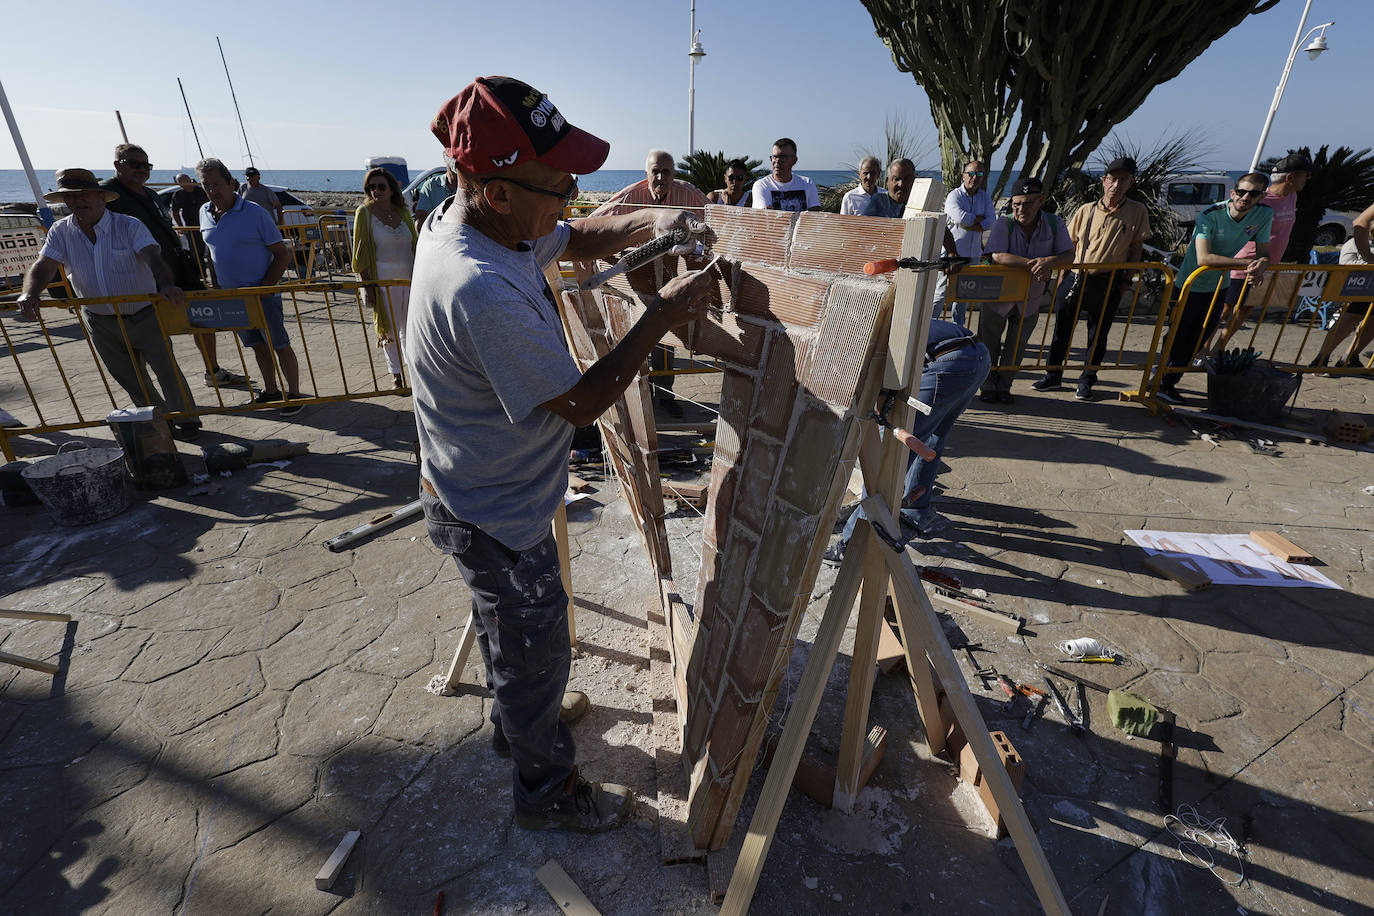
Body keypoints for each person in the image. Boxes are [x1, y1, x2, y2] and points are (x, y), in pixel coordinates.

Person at [409, 76, 714, 833]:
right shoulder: (479, 285)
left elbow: (573, 238)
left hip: (471, 485)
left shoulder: (480, 219)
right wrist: (660, 315)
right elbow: (582, 404)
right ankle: (543, 791)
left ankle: (517, 730)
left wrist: (650, 225)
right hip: (493, 509)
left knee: (504, 632)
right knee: (534, 647)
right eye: (558, 183)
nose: (572, 195)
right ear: (497, 189)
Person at [16, 168, 200, 439]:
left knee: (167, 371)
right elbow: (44, 264)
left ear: (101, 196)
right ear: (64, 202)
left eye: (84, 194)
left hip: (144, 314)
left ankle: (187, 418)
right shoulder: (60, 230)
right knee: (130, 379)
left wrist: (167, 284)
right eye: (71, 197)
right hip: (99, 320)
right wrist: (29, 293)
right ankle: (159, 421)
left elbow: (153, 257)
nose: (78, 201)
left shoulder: (129, 225)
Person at [825, 319, 991, 562]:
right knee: (932, 438)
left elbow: (876, 392)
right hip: (976, 356)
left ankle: (853, 543)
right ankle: (914, 512)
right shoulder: (875, 321)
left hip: (948, 362)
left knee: (884, 459)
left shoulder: (857, 341)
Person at [102, 145, 242, 390]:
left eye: (146, 165)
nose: (142, 170)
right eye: (134, 164)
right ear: (118, 165)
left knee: (202, 317)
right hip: (142, 275)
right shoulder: (106, 194)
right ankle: (157, 388)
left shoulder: (150, 195)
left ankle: (213, 370)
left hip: (177, 267)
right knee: (153, 333)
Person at [592, 150, 708, 417]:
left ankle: (665, 394)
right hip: (635, 278)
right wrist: (614, 252)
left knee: (664, 338)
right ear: (646, 175)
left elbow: (716, 218)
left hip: (670, 278)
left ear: (674, 174)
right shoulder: (631, 196)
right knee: (631, 338)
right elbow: (595, 222)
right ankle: (629, 398)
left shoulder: (688, 193)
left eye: (666, 172)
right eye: (655, 171)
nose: (660, 177)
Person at [1033, 156, 1150, 400]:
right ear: (1104, 180)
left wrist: (1127, 281)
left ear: (1130, 183)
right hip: (1076, 277)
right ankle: (1053, 376)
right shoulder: (1086, 210)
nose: (1116, 185)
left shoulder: (1137, 211)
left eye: (1123, 180)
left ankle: (1086, 381)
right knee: (1061, 330)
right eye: (1113, 179)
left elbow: (1136, 248)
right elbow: (1070, 246)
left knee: (1098, 335)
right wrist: (1062, 278)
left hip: (1109, 281)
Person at [197, 157, 306, 416]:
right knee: (256, 345)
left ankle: (294, 395)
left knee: (279, 344)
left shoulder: (255, 212)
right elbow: (212, 254)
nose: (213, 190)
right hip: (232, 297)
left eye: (217, 184)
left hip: (262, 293)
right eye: (206, 185)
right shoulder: (203, 212)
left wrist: (265, 289)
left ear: (231, 183)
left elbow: (281, 254)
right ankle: (270, 391)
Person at [1155, 172, 1272, 404]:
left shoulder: (1264, 213)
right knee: (1178, 336)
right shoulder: (1210, 215)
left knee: (1200, 337)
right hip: (1190, 283)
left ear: (1262, 196)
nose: (1246, 197)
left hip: (1219, 285)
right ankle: (1158, 380)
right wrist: (1249, 263)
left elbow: (1264, 252)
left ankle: (1168, 384)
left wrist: (1262, 264)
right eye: (1241, 192)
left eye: (1253, 193)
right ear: (1233, 193)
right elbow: (1204, 258)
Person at [1205, 152, 1311, 356]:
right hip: (1242, 266)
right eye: (1305, 175)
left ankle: (1219, 349)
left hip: (1266, 267)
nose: (1307, 179)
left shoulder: (1292, 196)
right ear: (1290, 177)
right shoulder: (1261, 200)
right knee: (1224, 309)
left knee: (1245, 310)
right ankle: (1202, 348)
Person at [982, 176, 1074, 404]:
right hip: (998, 297)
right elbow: (997, 255)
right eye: (1017, 204)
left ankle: (1004, 387)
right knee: (988, 344)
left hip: (1030, 300)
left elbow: (1068, 255)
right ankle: (987, 386)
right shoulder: (1004, 223)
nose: (1022, 209)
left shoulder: (1055, 224)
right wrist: (1036, 264)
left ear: (1041, 200)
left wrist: (1049, 262)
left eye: (1028, 203)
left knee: (1017, 347)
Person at [352, 167, 418, 389]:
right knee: (388, 329)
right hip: (382, 280)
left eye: (381, 186)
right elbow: (360, 254)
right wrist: (367, 285)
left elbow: (415, 245)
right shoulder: (365, 213)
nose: (376, 191)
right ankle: (397, 375)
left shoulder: (404, 211)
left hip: (410, 279)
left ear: (391, 188)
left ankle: (417, 371)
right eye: (371, 187)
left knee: (412, 327)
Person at [1312, 200, 1374, 370]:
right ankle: (1321, 359)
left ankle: (1350, 358)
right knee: (1353, 315)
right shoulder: (1360, 239)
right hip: (1367, 277)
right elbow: (1360, 222)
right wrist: (1367, 256)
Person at [942, 159, 997, 325]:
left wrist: (971, 223)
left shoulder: (984, 197)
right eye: (971, 173)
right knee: (940, 294)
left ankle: (958, 329)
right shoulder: (954, 196)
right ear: (963, 176)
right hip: (952, 254)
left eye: (979, 174)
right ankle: (928, 328)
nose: (975, 177)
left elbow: (992, 220)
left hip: (973, 254)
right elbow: (960, 218)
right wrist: (978, 221)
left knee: (963, 297)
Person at [751, 138, 819, 212]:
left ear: (794, 160)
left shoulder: (807, 183)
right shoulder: (762, 185)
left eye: (783, 157)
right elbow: (765, 215)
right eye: (774, 157)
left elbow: (814, 212)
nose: (777, 161)